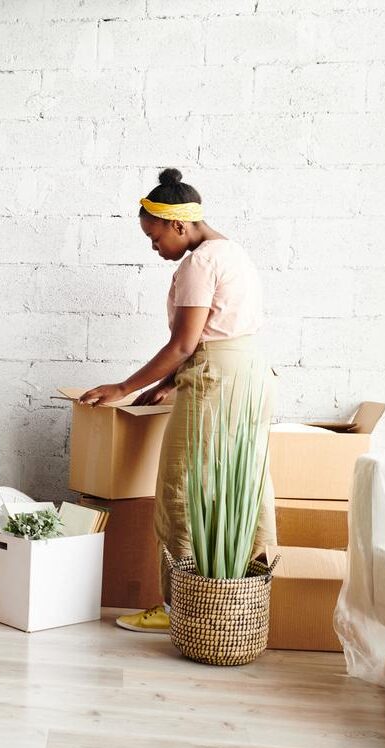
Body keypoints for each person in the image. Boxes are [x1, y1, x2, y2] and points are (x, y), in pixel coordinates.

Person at [81, 168, 276, 633]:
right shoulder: (233, 252)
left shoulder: (197, 264)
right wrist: (170, 382)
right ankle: (245, 603)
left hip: (214, 379)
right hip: (247, 375)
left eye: (154, 237)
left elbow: (185, 345)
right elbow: (217, 335)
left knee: (179, 490)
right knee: (242, 485)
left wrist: (122, 388)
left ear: (179, 225)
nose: (154, 248)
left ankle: (178, 608)